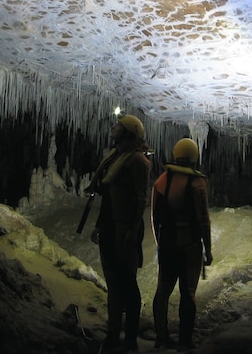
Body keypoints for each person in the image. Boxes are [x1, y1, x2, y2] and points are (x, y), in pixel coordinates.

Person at [89, 114, 151, 352]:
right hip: (109, 226)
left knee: (128, 283)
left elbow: (140, 198)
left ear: (128, 132)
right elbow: (109, 198)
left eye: (118, 126)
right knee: (114, 284)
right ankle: (113, 334)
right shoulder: (116, 157)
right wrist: (99, 225)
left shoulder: (138, 161)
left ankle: (131, 339)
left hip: (125, 228)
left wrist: (132, 231)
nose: (113, 128)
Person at [151, 138, 212, 351]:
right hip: (190, 248)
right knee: (188, 293)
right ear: (194, 157)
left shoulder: (161, 181)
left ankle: (161, 336)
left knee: (163, 292)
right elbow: (203, 219)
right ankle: (185, 341)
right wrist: (209, 248)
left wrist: (160, 244)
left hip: (167, 246)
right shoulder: (197, 184)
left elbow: (154, 217)